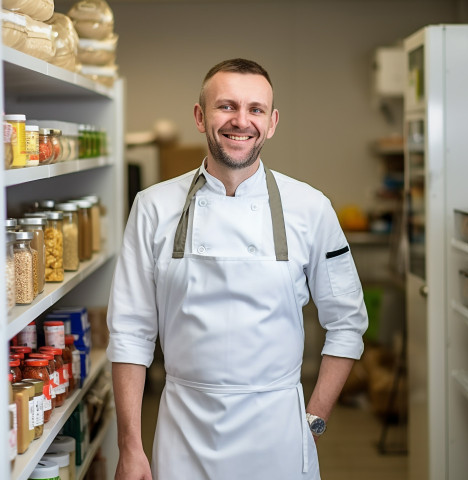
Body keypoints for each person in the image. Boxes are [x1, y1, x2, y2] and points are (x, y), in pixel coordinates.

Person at [106, 58, 368, 480]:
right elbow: (130, 333)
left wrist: (313, 422)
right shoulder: (152, 207)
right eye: (225, 106)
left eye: (255, 109)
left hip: (278, 434)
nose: (240, 121)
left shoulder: (311, 207)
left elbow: (348, 323)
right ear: (199, 116)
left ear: (272, 122)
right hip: (183, 430)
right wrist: (130, 447)